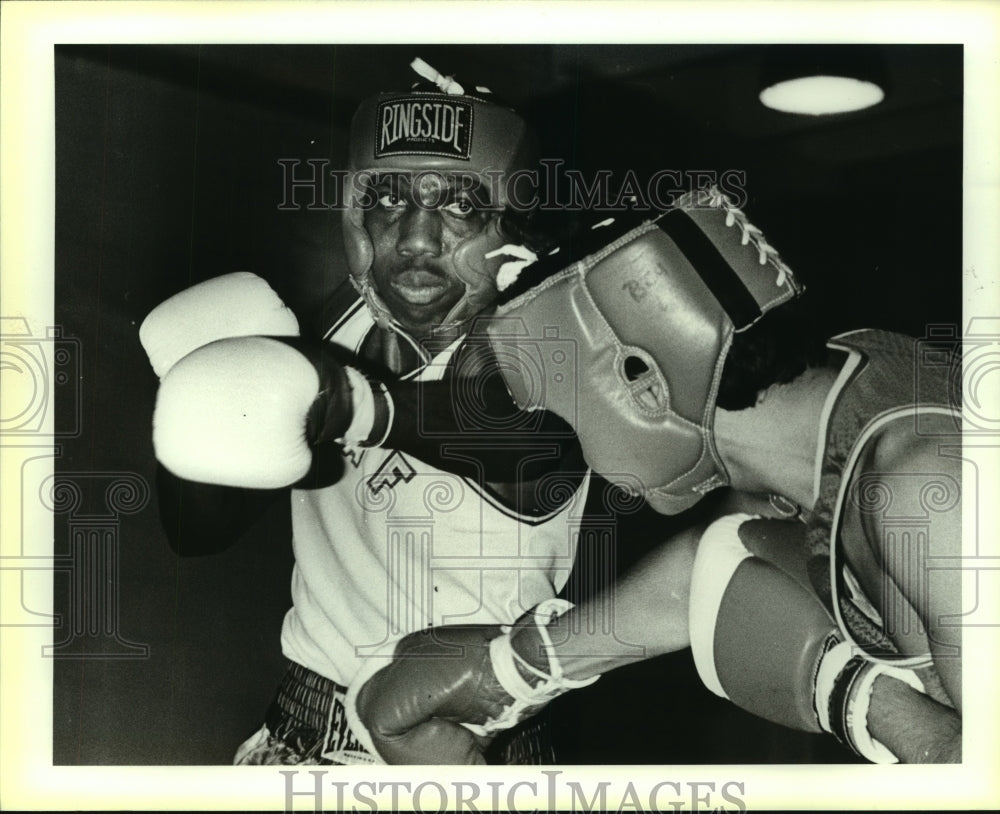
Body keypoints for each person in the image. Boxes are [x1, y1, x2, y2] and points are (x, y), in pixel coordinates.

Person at [347, 186, 964, 765]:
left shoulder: (926, 489)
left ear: (638, 381)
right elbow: (714, 563)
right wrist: (515, 668)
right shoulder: (851, 387)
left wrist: (854, 696)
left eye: (568, 416)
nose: (580, 456)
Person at [139, 59, 594, 765]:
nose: (415, 237)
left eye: (460, 205)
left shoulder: (560, 344)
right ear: (356, 212)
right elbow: (197, 534)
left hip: (468, 752)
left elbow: (520, 438)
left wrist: (354, 405)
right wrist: (196, 403)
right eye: (388, 199)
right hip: (301, 731)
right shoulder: (335, 325)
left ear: (513, 221)